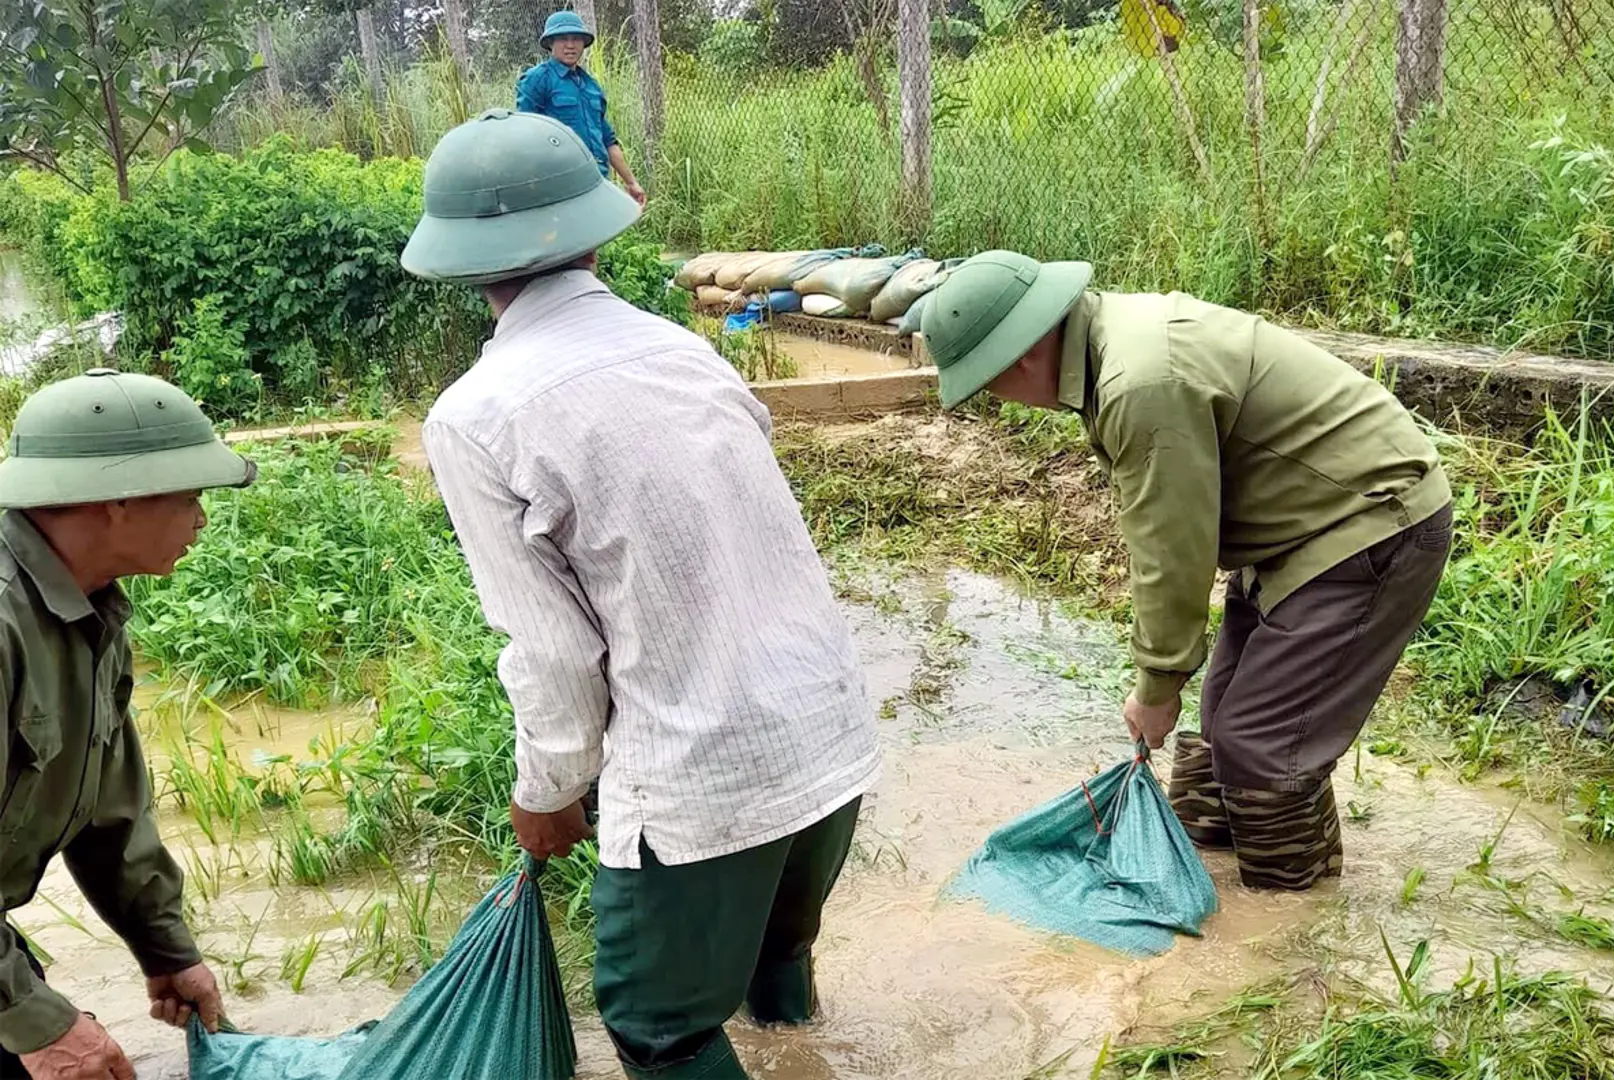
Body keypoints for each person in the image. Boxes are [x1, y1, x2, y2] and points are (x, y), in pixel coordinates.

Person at [400, 109, 881, 1080]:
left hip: (702, 774)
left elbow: (554, 657)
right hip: (827, 734)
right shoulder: (681, 348)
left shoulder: (474, 416)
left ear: (461, 263)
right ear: (591, 228)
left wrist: (546, 792)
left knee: (658, 1027)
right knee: (776, 960)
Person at [919, 251, 1454, 892]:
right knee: (1223, 712)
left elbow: (1173, 552)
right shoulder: (1105, 348)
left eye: (987, 382)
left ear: (1022, 356)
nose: (999, 399)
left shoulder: (1140, 385)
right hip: (1295, 526)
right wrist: (1168, 682)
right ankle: (1211, 870)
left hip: (1368, 522)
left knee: (1261, 744)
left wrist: (1155, 684)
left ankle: (1291, 917)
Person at [0, 369, 251, 1079]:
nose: (202, 517)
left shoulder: (91, 611)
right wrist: (39, 1023)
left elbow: (109, 814)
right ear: (117, 498)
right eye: (192, 495)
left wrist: (167, 950)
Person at [516, 10, 648, 208]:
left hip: (597, 182)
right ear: (550, 43)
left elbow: (608, 140)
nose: (570, 45)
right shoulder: (538, 79)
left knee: (600, 237)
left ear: (583, 43)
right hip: (560, 187)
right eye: (562, 38)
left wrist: (631, 182)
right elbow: (524, 135)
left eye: (576, 38)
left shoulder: (591, 86)